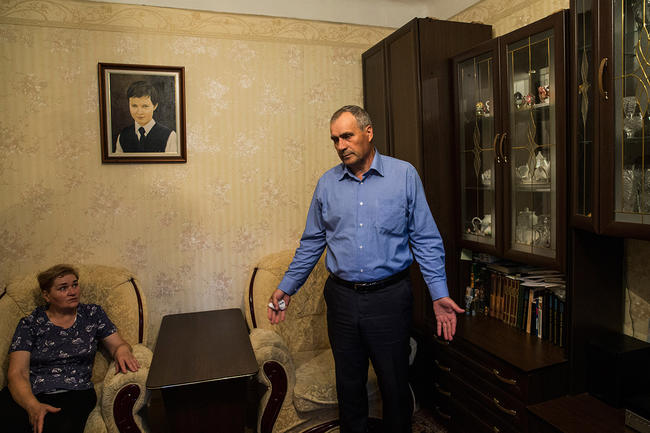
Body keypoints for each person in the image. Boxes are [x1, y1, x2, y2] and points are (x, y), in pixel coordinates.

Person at [267, 105, 464, 433]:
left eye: (347, 136)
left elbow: (426, 240)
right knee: (349, 386)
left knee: (395, 385)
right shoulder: (327, 184)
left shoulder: (403, 176)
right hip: (342, 300)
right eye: (335, 139)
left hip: (390, 299)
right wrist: (287, 286)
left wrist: (438, 293)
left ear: (368, 133)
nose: (341, 145)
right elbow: (312, 243)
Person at [0, 264, 140, 433]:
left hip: (75, 392)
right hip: (31, 393)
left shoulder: (92, 314)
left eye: (75, 285)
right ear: (46, 295)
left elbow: (118, 344)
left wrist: (122, 350)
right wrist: (33, 406)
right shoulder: (30, 323)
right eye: (63, 288)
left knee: (59, 427)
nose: (72, 292)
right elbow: (17, 372)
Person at [115, 80, 178, 153]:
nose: (139, 112)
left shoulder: (169, 136)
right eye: (134, 106)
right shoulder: (123, 136)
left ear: (155, 106)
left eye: (145, 106)